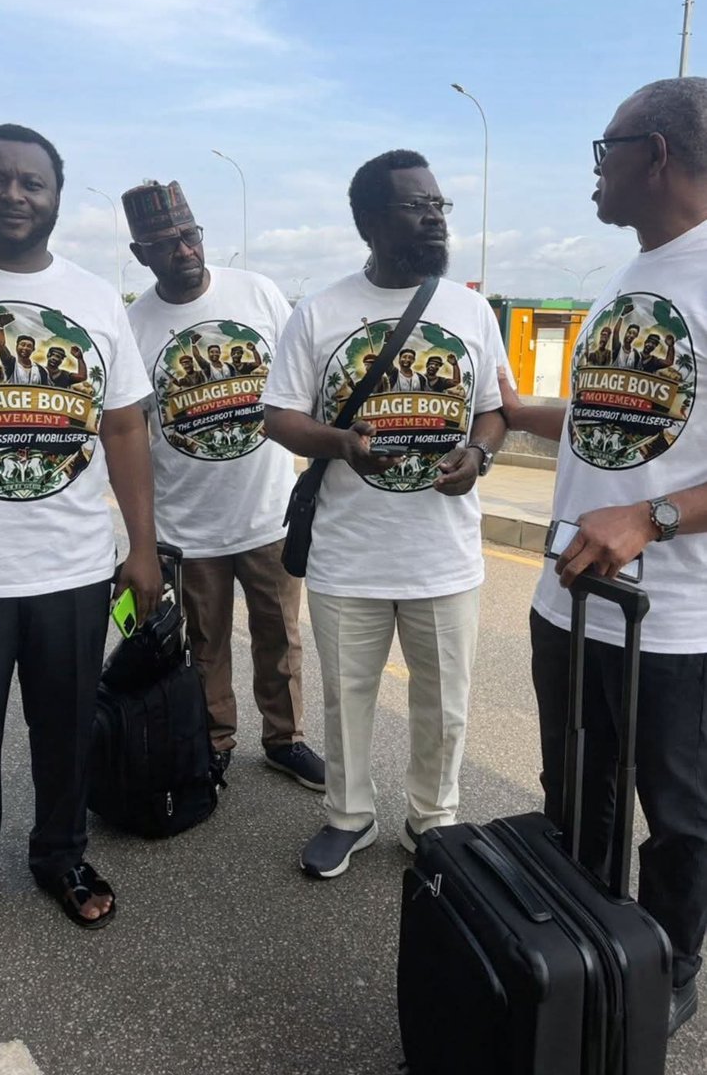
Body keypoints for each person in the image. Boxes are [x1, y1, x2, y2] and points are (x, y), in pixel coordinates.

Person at [0, 123, 162, 958]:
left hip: (73, 565)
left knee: (65, 728)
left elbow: (124, 428)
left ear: (55, 195)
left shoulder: (93, 298)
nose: (13, 194)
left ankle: (61, 859)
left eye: (32, 182)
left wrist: (143, 546)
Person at [498, 76, 707, 1038]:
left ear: (655, 155)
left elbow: (651, 486)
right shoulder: (631, 278)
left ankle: (665, 965)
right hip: (567, 603)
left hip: (678, 624)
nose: (595, 170)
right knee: (572, 800)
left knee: (679, 821)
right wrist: (499, 414)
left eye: (605, 148)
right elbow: (605, 422)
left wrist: (653, 518)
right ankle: (582, 954)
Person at [263, 149, 505, 878]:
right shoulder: (320, 311)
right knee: (347, 701)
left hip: (443, 556)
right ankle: (348, 816)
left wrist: (480, 458)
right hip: (347, 555)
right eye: (415, 205)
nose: (434, 216)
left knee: (445, 705)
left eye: (439, 204)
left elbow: (493, 413)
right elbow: (277, 416)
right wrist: (338, 441)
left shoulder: (468, 310)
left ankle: (433, 821)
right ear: (370, 222)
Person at [123, 179, 324, 790]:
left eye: (190, 236)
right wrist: (141, 537)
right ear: (141, 255)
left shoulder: (258, 292)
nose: (183, 250)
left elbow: (301, 380)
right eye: (166, 242)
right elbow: (127, 430)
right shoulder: (133, 324)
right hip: (188, 524)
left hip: (266, 514)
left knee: (280, 638)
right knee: (204, 645)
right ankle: (213, 743)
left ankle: (284, 740)